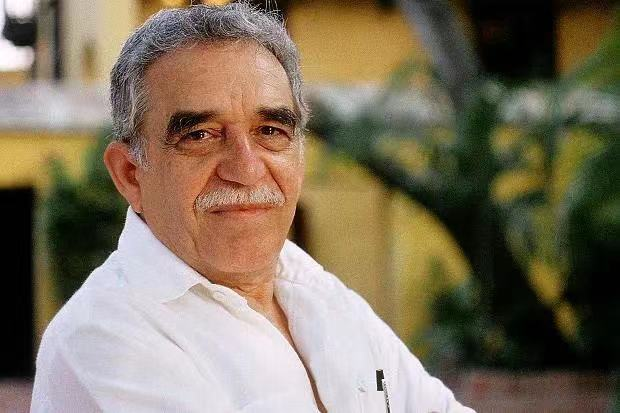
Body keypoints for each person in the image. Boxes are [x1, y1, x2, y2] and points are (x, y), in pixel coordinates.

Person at [31, 3, 474, 412]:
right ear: (131, 174)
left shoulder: (320, 293)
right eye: (200, 135)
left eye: (270, 131)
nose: (246, 169)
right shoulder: (103, 340)